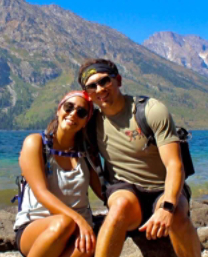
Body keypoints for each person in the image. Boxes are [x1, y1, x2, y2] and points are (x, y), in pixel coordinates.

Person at [78, 59, 201, 257]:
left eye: (105, 81)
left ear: (118, 80)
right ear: (87, 93)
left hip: (164, 188)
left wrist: (167, 207)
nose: (100, 89)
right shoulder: (91, 123)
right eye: (92, 86)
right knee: (118, 208)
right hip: (125, 189)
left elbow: (174, 165)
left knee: (178, 215)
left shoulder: (150, 110)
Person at [14, 90, 102, 257]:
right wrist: (79, 220)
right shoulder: (36, 143)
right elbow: (41, 194)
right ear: (59, 110)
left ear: (85, 122)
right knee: (64, 223)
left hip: (79, 231)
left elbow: (104, 192)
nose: (73, 114)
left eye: (81, 112)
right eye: (68, 107)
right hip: (38, 227)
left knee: (88, 245)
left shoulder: (87, 153)